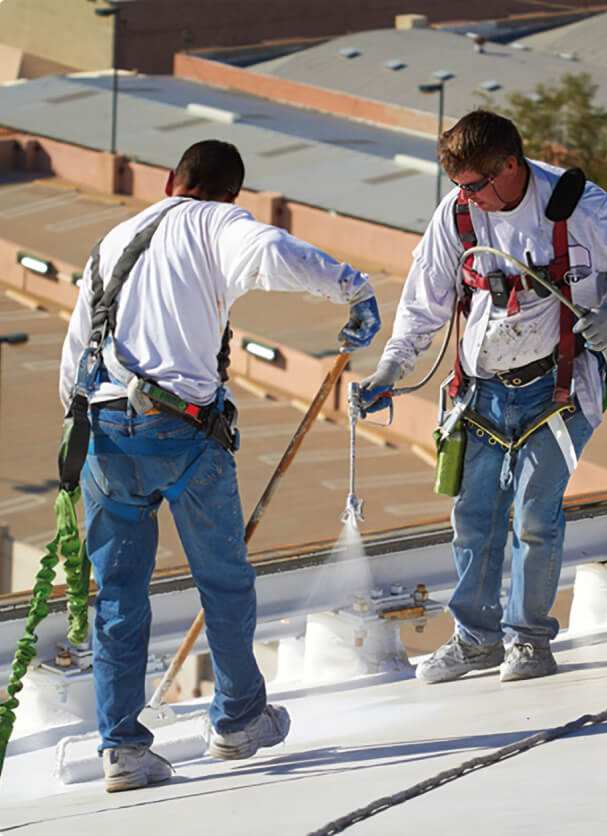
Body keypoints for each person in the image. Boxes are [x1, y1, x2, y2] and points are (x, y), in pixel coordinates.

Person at [59, 139, 381, 792]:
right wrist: (355, 290)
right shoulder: (218, 224)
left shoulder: (112, 243)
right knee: (224, 584)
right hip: (182, 435)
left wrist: (77, 454)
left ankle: (121, 749)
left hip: (104, 435)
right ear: (233, 194)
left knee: (118, 597)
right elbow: (273, 254)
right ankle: (237, 720)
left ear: (171, 181)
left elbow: (75, 356)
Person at [359, 110, 607, 684]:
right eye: (459, 186)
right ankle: (477, 640)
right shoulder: (458, 214)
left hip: (557, 390)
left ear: (510, 166)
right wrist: (391, 366)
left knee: (534, 519)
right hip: (482, 393)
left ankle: (529, 640)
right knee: (474, 520)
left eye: (476, 184)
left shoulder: (574, 206)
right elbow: (424, 299)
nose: (467, 197)